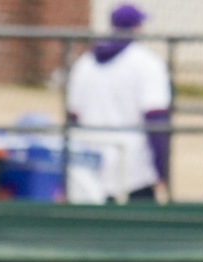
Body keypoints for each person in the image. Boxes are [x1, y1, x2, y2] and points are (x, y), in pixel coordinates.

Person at [64, 3, 171, 205]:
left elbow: (72, 119)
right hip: (135, 172)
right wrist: (162, 171)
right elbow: (156, 121)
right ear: (137, 27)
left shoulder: (84, 64)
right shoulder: (147, 63)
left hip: (90, 168)